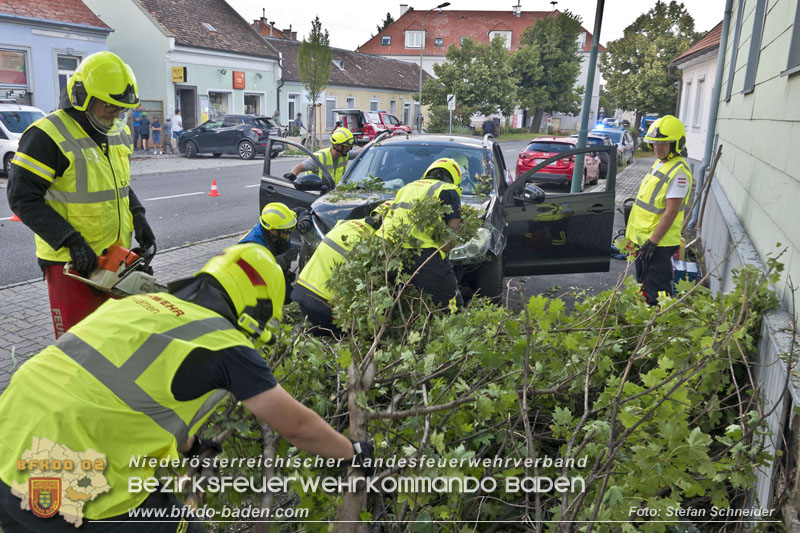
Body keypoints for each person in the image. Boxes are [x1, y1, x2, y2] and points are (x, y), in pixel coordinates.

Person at [0, 244, 373, 532]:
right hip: (71, 491)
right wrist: (353, 452)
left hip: (7, 452)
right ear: (254, 312)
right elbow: (298, 427)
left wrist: (191, 447)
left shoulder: (139, 304)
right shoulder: (227, 345)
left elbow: (128, 391)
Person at [6, 51, 156, 338]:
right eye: (109, 106)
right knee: (77, 348)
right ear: (82, 96)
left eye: (120, 109)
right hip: (71, 266)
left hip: (113, 261)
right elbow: (22, 198)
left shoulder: (114, 132)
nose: (115, 115)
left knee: (114, 341)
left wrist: (139, 218)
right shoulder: (47, 136)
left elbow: (119, 184)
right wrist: (70, 240)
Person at [379, 158, 464, 312]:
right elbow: (453, 231)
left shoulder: (407, 187)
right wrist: (440, 256)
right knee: (451, 303)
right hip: (422, 253)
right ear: (454, 177)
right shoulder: (448, 189)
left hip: (389, 250)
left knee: (397, 303)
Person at [625, 115, 693, 306]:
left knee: (656, 292)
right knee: (643, 286)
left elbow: (671, 211)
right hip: (645, 239)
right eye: (655, 143)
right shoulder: (660, 163)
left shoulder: (679, 172)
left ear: (676, 144)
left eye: (663, 144)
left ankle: (656, 327)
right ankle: (644, 323)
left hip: (658, 243)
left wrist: (653, 242)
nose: (657, 147)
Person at [293, 214, 382, 336]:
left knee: (316, 325)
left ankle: (305, 332)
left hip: (301, 290)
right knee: (351, 335)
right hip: (324, 303)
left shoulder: (345, 223)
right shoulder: (374, 241)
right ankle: (312, 333)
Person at [238, 202, 312, 302]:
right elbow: (259, 271)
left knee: (289, 294)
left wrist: (304, 220)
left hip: (271, 271)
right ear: (273, 230)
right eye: (287, 231)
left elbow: (300, 211)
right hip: (249, 284)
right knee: (287, 297)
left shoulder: (281, 221)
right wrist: (284, 259)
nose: (290, 232)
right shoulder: (252, 246)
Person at [284, 127, 356, 186]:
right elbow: (298, 167)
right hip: (317, 195)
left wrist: (367, 145)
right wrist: (292, 176)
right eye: (347, 146)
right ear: (337, 146)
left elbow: (359, 153)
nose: (349, 149)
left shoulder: (345, 155)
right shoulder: (319, 158)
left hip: (334, 195)